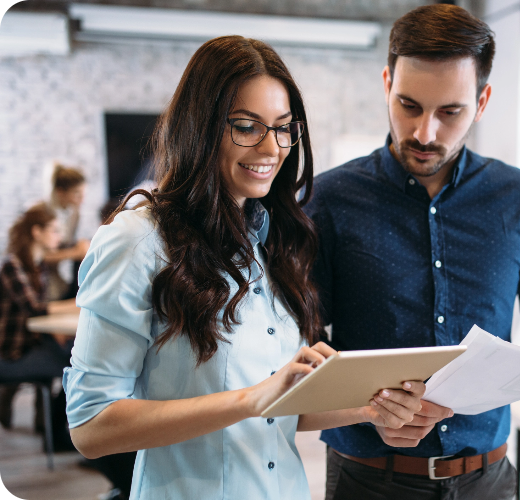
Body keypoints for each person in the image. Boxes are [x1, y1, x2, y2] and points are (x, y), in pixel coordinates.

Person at [63, 36, 426, 500]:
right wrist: (250, 399)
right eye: (246, 126)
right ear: (201, 126)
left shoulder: (276, 243)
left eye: (282, 127)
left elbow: (281, 408)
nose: (271, 147)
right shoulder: (137, 241)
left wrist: (371, 407)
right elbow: (91, 426)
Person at [304, 5, 520, 499]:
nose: (426, 133)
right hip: (370, 479)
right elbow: (304, 338)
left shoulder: (519, 197)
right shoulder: (329, 200)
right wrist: (364, 407)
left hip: (487, 479)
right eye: (409, 105)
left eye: (450, 112)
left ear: (482, 101)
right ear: (387, 84)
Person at [0, 203, 79, 447]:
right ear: (37, 232)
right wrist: (77, 304)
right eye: (54, 230)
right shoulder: (12, 266)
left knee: (75, 356)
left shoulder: (39, 266)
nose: (60, 236)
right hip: (11, 354)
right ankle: (57, 434)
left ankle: (56, 431)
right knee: (76, 363)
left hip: (31, 345)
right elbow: (34, 308)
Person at [43, 165, 90, 300]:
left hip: (58, 276)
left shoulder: (74, 214)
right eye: (76, 194)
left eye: (83, 194)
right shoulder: (43, 212)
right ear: (60, 192)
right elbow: (40, 256)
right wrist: (75, 252)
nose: (82, 200)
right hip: (41, 276)